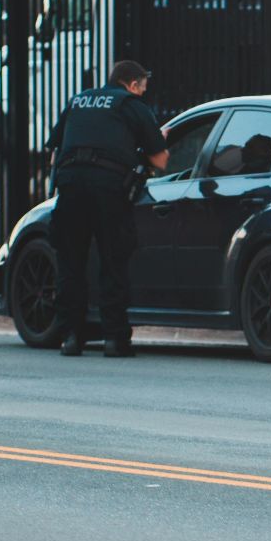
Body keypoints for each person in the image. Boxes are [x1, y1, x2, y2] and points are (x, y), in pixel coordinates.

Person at [44, 60, 169, 357]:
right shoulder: (131, 106)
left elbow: (54, 149)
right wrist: (155, 143)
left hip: (71, 185)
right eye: (142, 88)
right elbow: (161, 161)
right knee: (113, 260)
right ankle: (115, 339)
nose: (142, 93)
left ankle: (71, 337)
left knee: (71, 262)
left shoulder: (79, 100)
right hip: (108, 189)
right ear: (133, 84)